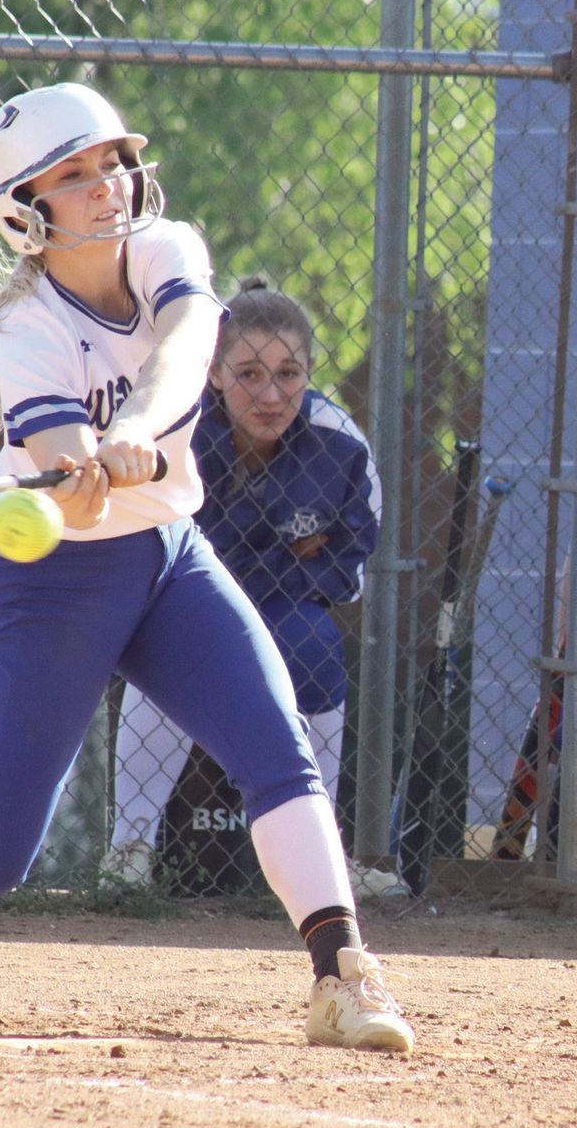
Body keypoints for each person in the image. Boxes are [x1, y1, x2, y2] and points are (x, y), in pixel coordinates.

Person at [0, 82, 414, 1054]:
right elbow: (74, 483)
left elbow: (191, 343)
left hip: (170, 556)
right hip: (59, 575)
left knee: (280, 747)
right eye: (75, 173)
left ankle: (341, 973)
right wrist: (85, 470)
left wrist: (137, 429)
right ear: (28, 207)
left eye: (111, 161)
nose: (106, 183)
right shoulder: (30, 330)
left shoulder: (166, 245)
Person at [107, 280, 404, 899]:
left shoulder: (340, 442)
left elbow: (347, 569)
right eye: (249, 373)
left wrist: (252, 563)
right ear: (213, 373)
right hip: (182, 597)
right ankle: (128, 850)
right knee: (163, 649)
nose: (271, 395)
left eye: (289, 374)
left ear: (309, 374)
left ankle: (325, 860)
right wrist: (285, 553)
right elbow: (148, 541)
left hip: (289, 608)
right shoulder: (175, 430)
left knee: (316, 645)